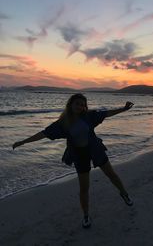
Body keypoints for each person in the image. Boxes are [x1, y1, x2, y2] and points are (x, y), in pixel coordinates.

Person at [12, 93, 134, 229]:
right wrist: (23, 141)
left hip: (95, 149)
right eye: (77, 104)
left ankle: (124, 194)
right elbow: (44, 133)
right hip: (79, 155)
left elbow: (106, 114)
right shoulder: (63, 123)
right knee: (84, 188)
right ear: (71, 104)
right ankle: (86, 215)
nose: (80, 107)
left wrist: (123, 109)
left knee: (111, 174)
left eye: (82, 105)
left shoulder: (89, 116)